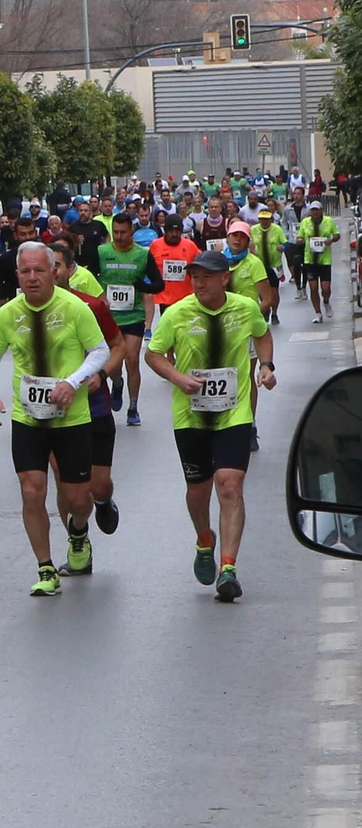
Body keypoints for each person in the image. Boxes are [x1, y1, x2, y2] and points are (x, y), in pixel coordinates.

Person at [0, 242, 110, 597]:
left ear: (54, 270)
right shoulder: (8, 313)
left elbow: (101, 351)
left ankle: (79, 532)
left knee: (77, 500)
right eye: (25, 272)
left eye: (40, 270)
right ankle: (46, 567)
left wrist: (73, 381)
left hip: (72, 419)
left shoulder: (74, 308)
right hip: (28, 417)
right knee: (31, 491)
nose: (33, 278)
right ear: (16, 274)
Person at [144, 250, 275, 602]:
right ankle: (205, 538)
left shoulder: (245, 308)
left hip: (234, 412)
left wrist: (266, 365)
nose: (198, 282)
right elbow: (153, 354)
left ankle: (228, 567)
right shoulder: (179, 313)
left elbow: (262, 334)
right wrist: (177, 377)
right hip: (191, 416)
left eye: (206, 276)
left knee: (229, 484)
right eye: (194, 276)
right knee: (199, 490)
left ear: (224, 279)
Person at [47, 243, 125, 574]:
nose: (49, 273)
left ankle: (104, 501)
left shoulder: (91, 306)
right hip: (53, 413)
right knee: (64, 484)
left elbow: (118, 346)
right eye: (40, 267)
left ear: (69, 270)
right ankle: (79, 545)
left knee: (97, 485)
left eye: (56, 266)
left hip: (94, 408)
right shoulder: (28, 311)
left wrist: (102, 373)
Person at [94, 213, 167, 428]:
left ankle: (133, 406)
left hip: (133, 315)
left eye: (123, 232)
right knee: (113, 362)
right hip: (109, 316)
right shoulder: (102, 252)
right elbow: (89, 279)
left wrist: (141, 287)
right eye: (115, 232)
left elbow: (158, 285)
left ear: (131, 231)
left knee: (131, 358)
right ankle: (117, 384)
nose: (119, 236)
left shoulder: (142, 255)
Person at [224, 220, 275, 451]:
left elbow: (267, 299)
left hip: (248, 330)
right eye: (233, 235)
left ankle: (250, 426)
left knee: (246, 376)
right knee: (225, 375)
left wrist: (249, 317)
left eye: (242, 236)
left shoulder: (254, 263)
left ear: (247, 240)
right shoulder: (219, 262)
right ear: (227, 238)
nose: (237, 239)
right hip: (223, 328)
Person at [149, 215, 201, 321]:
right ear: (165, 231)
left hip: (186, 298)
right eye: (171, 231)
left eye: (177, 231)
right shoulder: (155, 245)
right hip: (164, 298)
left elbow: (200, 266)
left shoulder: (190, 246)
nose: (174, 234)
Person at [297, 200, 340, 322]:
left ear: (321, 210)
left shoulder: (328, 221)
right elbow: (299, 236)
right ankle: (318, 313)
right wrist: (299, 240)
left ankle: (326, 302)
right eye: (313, 210)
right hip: (309, 259)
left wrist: (331, 239)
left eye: (317, 210)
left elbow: (337, 235)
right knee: (313, 287)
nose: (315, 212)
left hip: (324, 259)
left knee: (325, 288)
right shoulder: (305, 222)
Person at [251, 207, 287, 324]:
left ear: (271, 219)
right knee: (262, 291)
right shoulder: (253, 230)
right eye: (262, 219)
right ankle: (266, 309)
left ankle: (275, 313)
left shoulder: (277, 229)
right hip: (259, 265)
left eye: (266, 219)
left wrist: (282, 248)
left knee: (274, 291)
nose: (264, 222)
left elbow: (285, 243)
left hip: (274, 264)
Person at [68, 198, 109, 270]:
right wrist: (76, 241)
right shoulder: (73, 227)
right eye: (81, 210)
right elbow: (68, 244)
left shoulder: (98, 225)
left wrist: (105, 247)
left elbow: (107, 235)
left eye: (85, 210)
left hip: (96, 261)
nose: (83, 213)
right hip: (79, 262)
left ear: (90, 212)